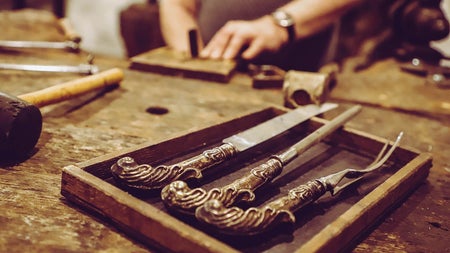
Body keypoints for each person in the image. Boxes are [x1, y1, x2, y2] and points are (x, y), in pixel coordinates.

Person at [159, 0, 364, 71]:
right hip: (214, 75)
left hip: (295, 74)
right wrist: (190, 58)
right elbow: (176, 5)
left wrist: (278, 26)